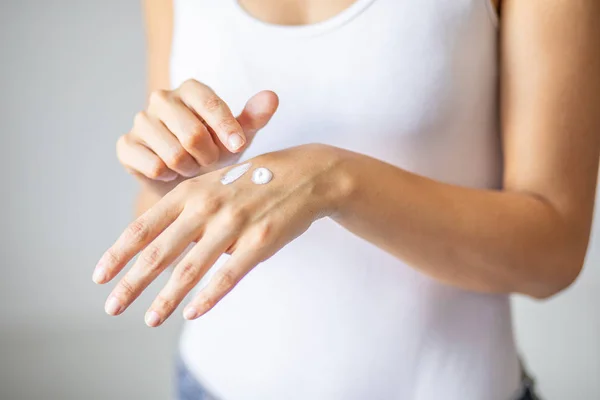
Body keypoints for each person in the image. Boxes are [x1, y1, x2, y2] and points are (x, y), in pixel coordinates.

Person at [93, 0, 600, 399]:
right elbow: (164, 210)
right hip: (210, 387)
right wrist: (165, 175)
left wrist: (334, 181)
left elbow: (552, 254)